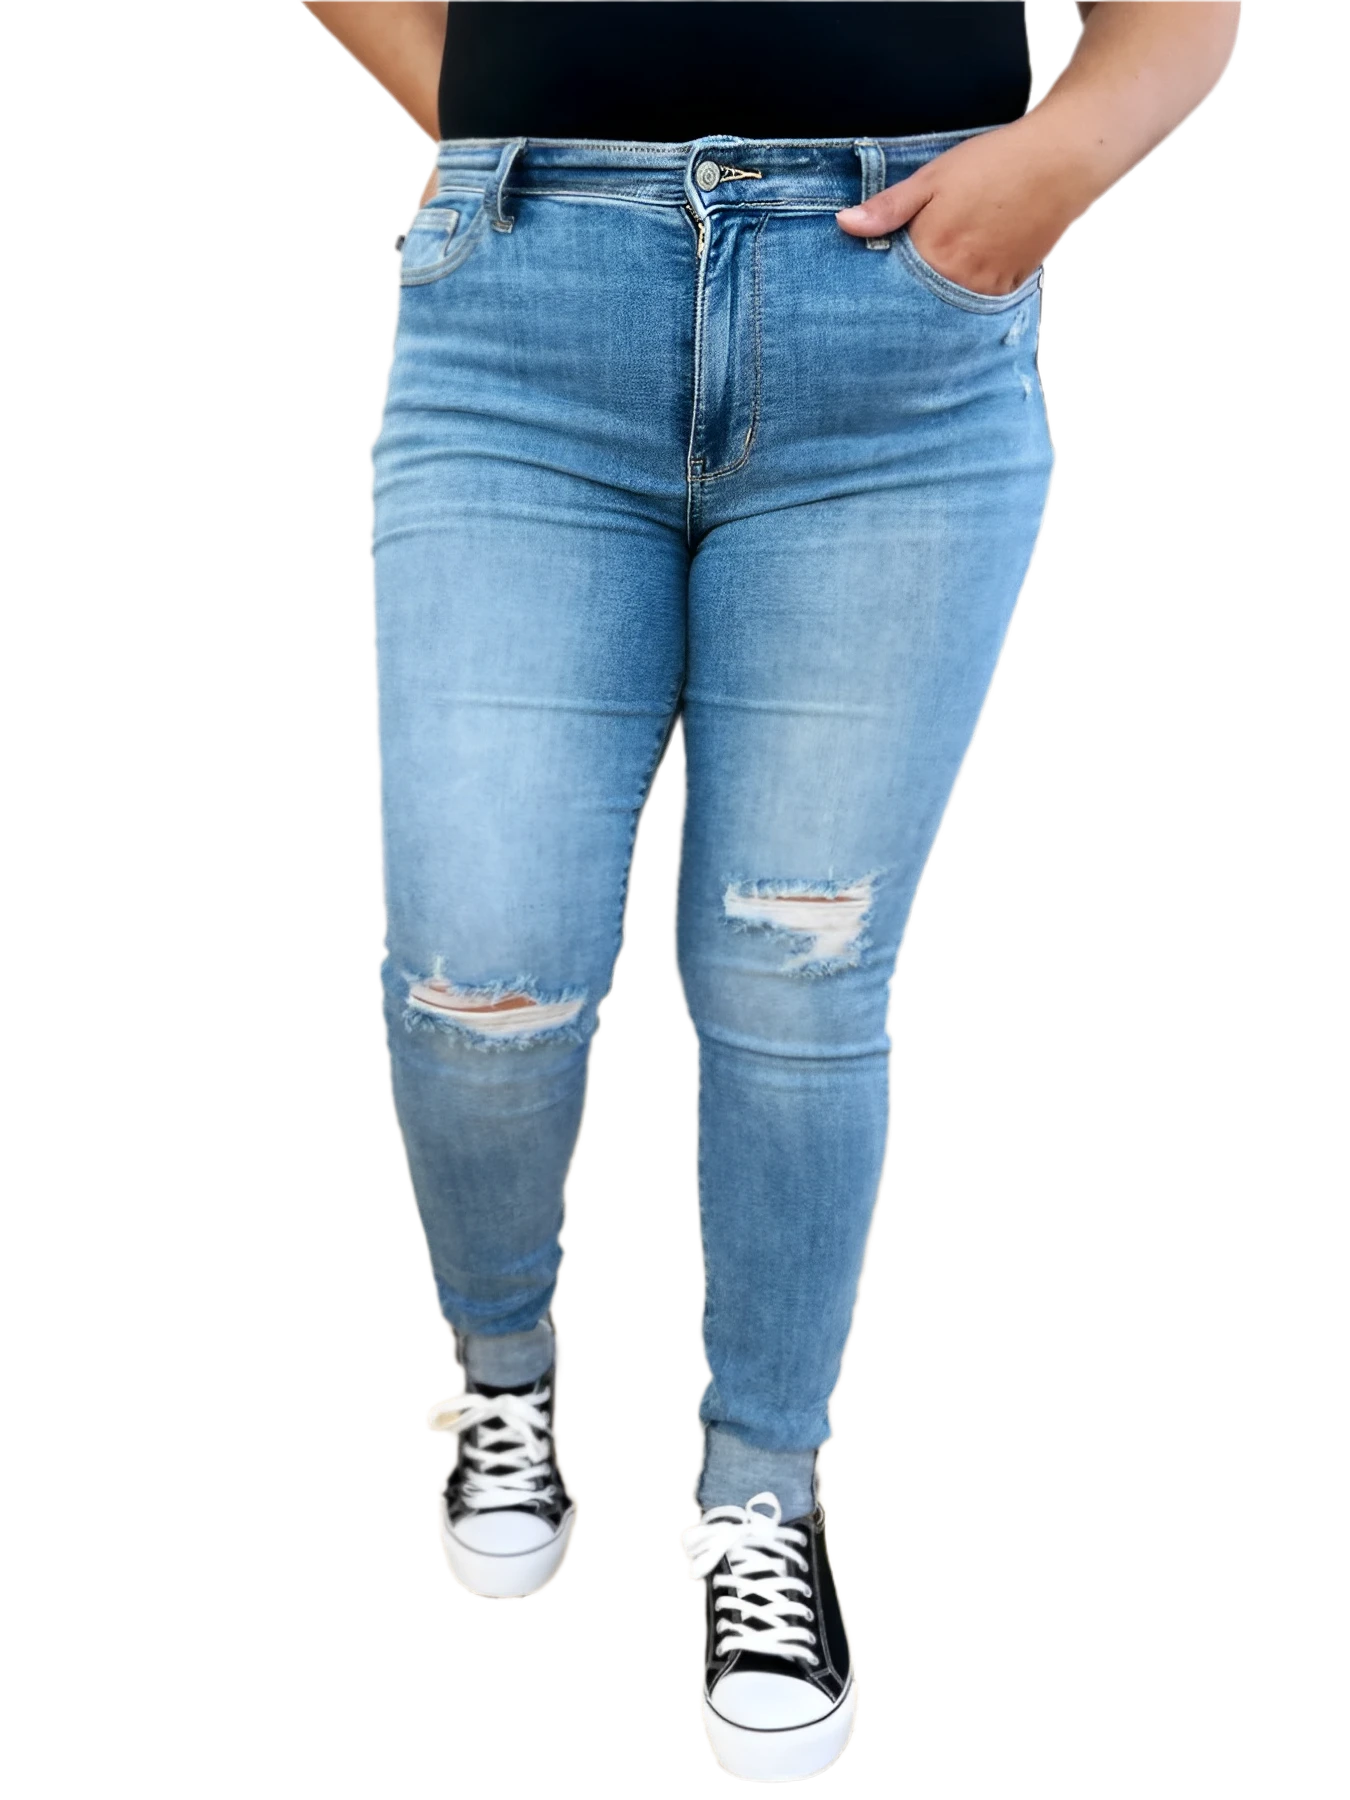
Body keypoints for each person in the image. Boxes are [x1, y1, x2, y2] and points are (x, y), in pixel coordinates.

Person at [315, 0, 1242, 1780]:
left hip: (892, 329)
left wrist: (1051, 168)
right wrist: (504, 131)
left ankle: (760, 1493)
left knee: (792, 961)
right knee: (477, 957)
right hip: (525, 321)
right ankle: (501, 1381)